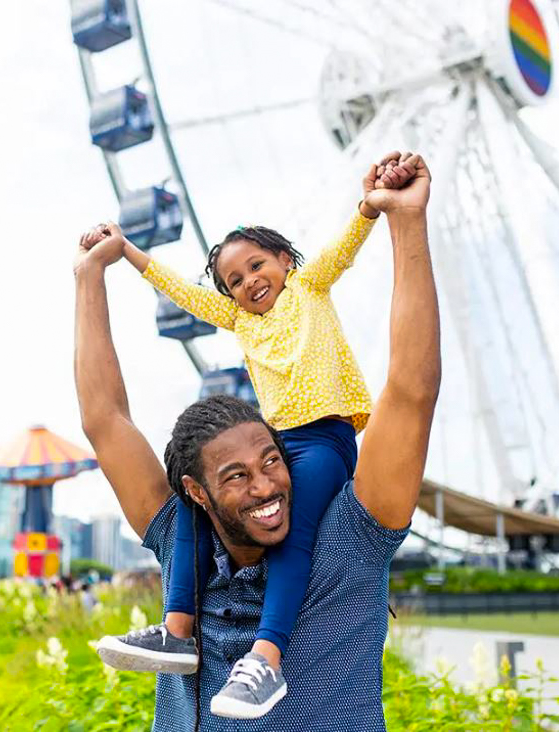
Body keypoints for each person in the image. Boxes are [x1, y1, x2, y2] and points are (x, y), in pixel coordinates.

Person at [73, 152, 438, 730]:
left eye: (267, 462)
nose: (266, 484)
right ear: (197, 492)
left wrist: (395, 216)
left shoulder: (350, 537)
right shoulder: (181, 538)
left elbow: (412, 392)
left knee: (295, 545)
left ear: (285, 262)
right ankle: (176, 634)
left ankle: (265, 658)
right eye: (236, 476)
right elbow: (105, 420)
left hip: (324, 435)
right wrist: (97, 272)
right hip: (286, 438)